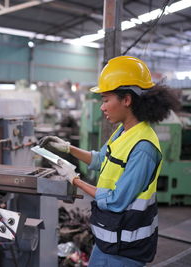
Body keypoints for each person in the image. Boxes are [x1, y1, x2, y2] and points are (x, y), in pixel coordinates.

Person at [39, 56, 180, 266]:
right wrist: (67, 148)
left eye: (106, 100)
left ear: (127, 100)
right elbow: (100, 159)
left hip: (126, 246)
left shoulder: (144, 148)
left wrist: (74, 179)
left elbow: (117, 200)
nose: (102, 107)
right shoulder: (124, 131)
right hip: (109, 237)